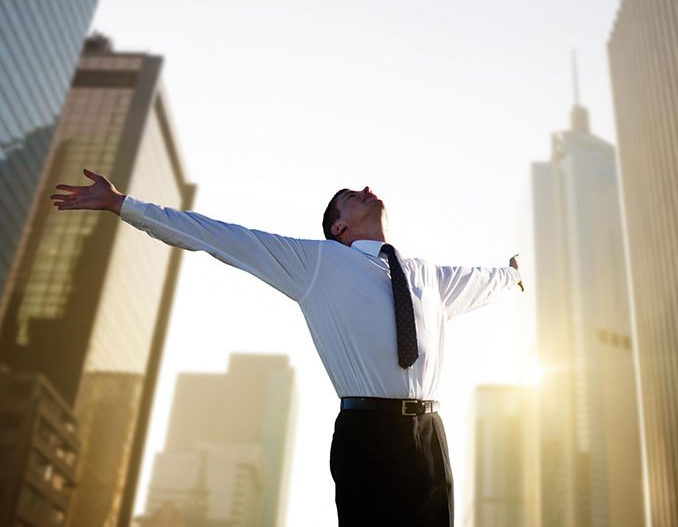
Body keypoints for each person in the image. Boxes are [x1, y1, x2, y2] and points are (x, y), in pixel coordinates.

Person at [51, 168, 523, 527]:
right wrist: (122, 204)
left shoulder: (429, 278)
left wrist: (514, 275)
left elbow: (486, 280)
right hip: (369, 434)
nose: (364, 189)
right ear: (339, 229)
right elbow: (218, 236)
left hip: (431, 436)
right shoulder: (317, 263)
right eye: (349, 197)